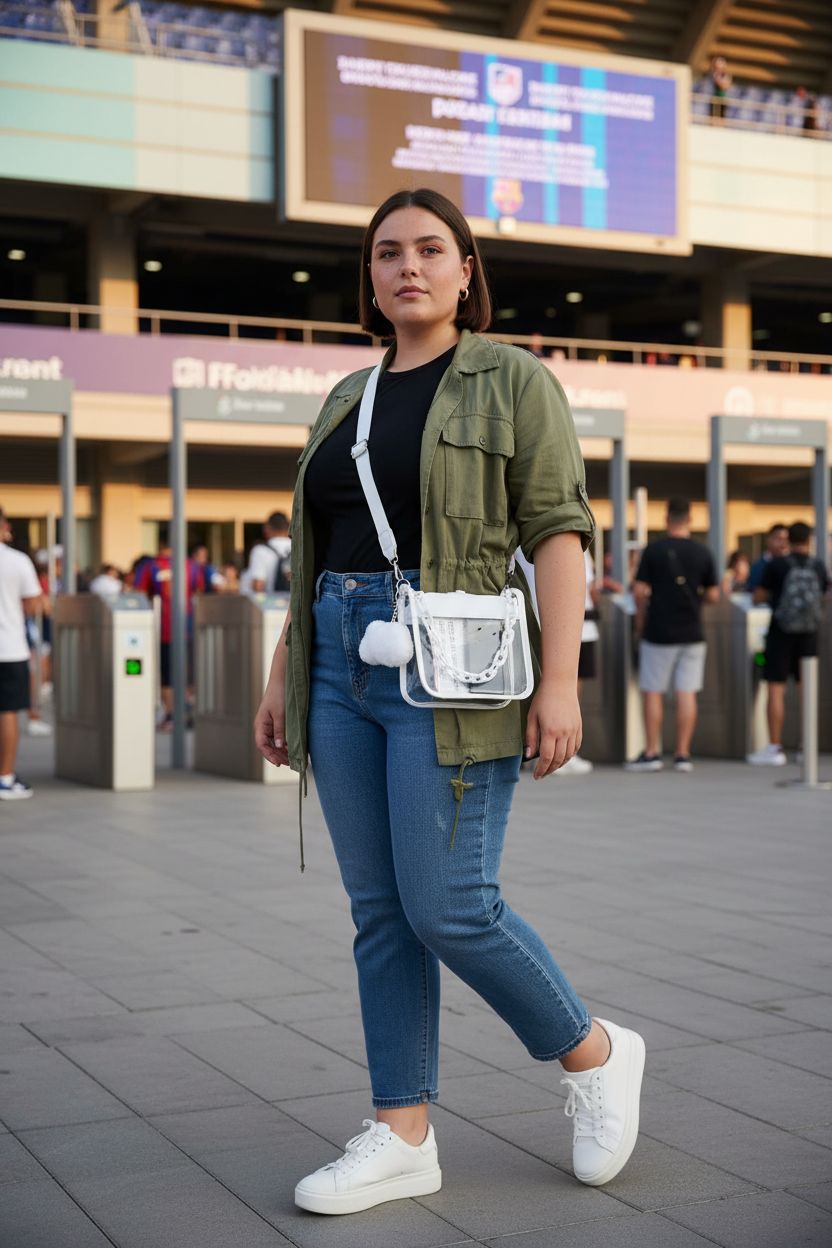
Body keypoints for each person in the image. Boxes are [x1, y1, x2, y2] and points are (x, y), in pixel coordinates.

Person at [254, 188, 645, 1216]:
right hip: (339, 660)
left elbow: (558, 532)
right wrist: (283, 672)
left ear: (466, 268)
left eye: (430, 250)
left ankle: (593, 1053)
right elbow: (322, 553)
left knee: (449, 905)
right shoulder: (347, 394)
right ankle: (401, 1131)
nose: (407, 268)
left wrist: (560, 681)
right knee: (380, 914)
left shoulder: (510, 378)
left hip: (452, 666)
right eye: (387, 254)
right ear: (369, 278)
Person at [626, 498, 719, 772]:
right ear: (690, 519)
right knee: (686, 692)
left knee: (653, 691)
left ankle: (653, 752)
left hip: (659, 630)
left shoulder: (653, 551)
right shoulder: (703, 553)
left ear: (667, 519)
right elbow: (714, 594)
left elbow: (640, 591)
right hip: (692, 631)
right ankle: (682, 754)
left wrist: (641, 621)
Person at [747, 521, 829, 766]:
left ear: (788, 540)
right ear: (809, 540)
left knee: (776, 689)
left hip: (780, 633)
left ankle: (774, 747)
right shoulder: (818, 565)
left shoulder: (777, 565)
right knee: (806, 690)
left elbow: (758, 595)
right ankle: (806, 745)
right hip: (810, 634)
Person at [137, 542, 206, 731]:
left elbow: (140, 594)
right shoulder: (191, 566)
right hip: (188, 627)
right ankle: (185, 711)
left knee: (167, 673)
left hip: (164, 629)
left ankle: (170, 714)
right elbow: (199, 591)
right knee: (187, 671)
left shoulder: (151, 566)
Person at [0, 509, 44, 799]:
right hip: (9, 647)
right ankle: (5, 777)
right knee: (7, 713)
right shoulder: (16, 561)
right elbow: (32, 605)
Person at [243, 512, 291, 593]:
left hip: (271, 603)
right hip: (294, 603)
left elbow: (258, 585)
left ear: (267, 529)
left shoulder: (260, 550)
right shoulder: (298, 548)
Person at [748, 523, 789, 591]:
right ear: (769, 540)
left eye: (786, 539)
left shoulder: (791, 564)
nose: (783, 543)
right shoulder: (758, 566)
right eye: (779, 539)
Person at [709, 55, 731, 122]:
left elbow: (726, 86)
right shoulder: (714, 74)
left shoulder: (726, 75)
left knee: (722, 118)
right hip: (715, 99)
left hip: (722, 99)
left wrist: (722, 83)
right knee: (713, 118)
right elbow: (720, 84)